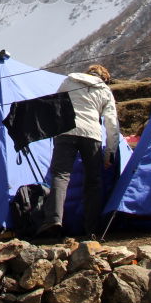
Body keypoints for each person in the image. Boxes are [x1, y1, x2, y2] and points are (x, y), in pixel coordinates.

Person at [37, 64, 119, 239]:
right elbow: (112, 123)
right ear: (104, 77)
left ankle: (53, 220)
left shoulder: (70, 80)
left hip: (66, 131)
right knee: (93, 182)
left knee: (60, 175)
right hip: (92, 135)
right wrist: (109, 153)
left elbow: (54, 105)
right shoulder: (105, 90)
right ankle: (91, 229)